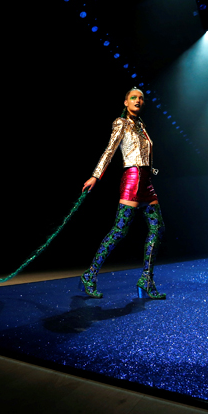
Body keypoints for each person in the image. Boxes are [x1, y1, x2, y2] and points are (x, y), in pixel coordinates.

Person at [80, 87, 166, 299]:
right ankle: (89, 275)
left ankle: (146, 279)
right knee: (119, 231)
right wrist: (96, 175)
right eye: (133, 97)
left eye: (141, 98)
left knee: (158, 228)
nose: (138, 100)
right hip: (133, 180)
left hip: (146, 183)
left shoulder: (141, 125)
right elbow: (110, 150)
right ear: (126, 102)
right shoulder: (121, 123)